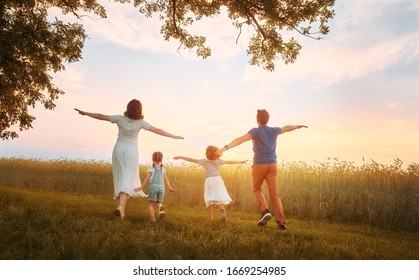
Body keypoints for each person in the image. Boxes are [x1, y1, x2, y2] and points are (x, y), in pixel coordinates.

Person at [75, 99, 183, 219]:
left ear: (128, 108)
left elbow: (101, 116)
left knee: (120, 178)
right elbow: (157, 130)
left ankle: (121, 211)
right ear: (139, 110)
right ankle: (121, 208)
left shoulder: (120, 119)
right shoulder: (141, 122)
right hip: (131, 152)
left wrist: (85, 113)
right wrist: (173, 136)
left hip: (118, 150)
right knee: (127, 179)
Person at [216, 109, 307, 231]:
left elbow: (240, 139)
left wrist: (224, 148)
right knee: (274, 194)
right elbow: (287, 127)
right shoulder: (274, 130)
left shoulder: (255, 131)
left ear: (257, 120)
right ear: (267, 119)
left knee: (257, 188)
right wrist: (297, 126)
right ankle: (282, 224)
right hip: (272, 165)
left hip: (259, 165)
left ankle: (265, 211)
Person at [174, 145, 246, 223]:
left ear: (207, 153)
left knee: (208, 198)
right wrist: (240, 162)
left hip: (209, 180)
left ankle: (210, 218)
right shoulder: (219, 161)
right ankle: (222, 209)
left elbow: (191, 160)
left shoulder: (204, 161)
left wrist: (181, 157)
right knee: (217, 197)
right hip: (218, 180)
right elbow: (230, 162)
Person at [134, 151, 176, 222]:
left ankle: (153, 219)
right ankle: (160, 206)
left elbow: (147, 180)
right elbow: (166, 180)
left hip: (153, 188)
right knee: (157, 202)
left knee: (151, 204)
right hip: (162, 188)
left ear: (152, 159)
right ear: (161, 159)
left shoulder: (151, 169)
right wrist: (170, 187)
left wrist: (141, 188)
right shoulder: (163, 169)